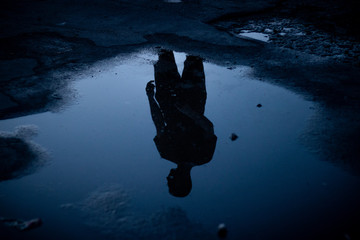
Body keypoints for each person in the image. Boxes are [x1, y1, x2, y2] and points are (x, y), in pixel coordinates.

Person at [146, 49, 217, 197]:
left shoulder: (166, 153)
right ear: (181, 180)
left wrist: (151, 98)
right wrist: (188, 111)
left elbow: (159, 123)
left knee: (163, 52)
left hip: (169, 98)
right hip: (192, 98)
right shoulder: (203, 156)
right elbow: (209, 128)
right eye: (170, 181)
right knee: (194, 54)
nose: (167, 178)